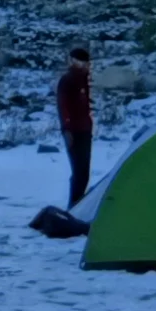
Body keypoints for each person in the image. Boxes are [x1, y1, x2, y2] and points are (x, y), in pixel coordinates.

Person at [55, 45, 96, 207]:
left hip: (85, 130)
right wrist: (66, 129)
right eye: (82, 62)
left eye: (86, 63)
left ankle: (77, 204)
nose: (86, 66)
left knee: (84, 172)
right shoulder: (68, 80)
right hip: (74, 132)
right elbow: (62, 106)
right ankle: (74, 205)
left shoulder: (83, 80)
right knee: (79, 172)